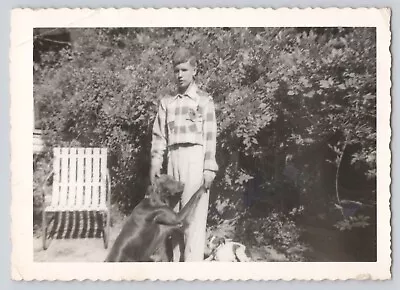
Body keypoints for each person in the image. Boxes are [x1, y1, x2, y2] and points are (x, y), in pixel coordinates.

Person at [150, 47, 219, 261]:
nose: (180, 74)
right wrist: (155, 166)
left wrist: (208, 168)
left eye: (184, 69)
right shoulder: (167, 103)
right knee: (175, 219)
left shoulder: (204, 100)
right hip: (173, 162)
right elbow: (159, 137)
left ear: (194, 70)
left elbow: (210, 137)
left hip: (195, 161)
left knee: (193, 220)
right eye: (176, 70)